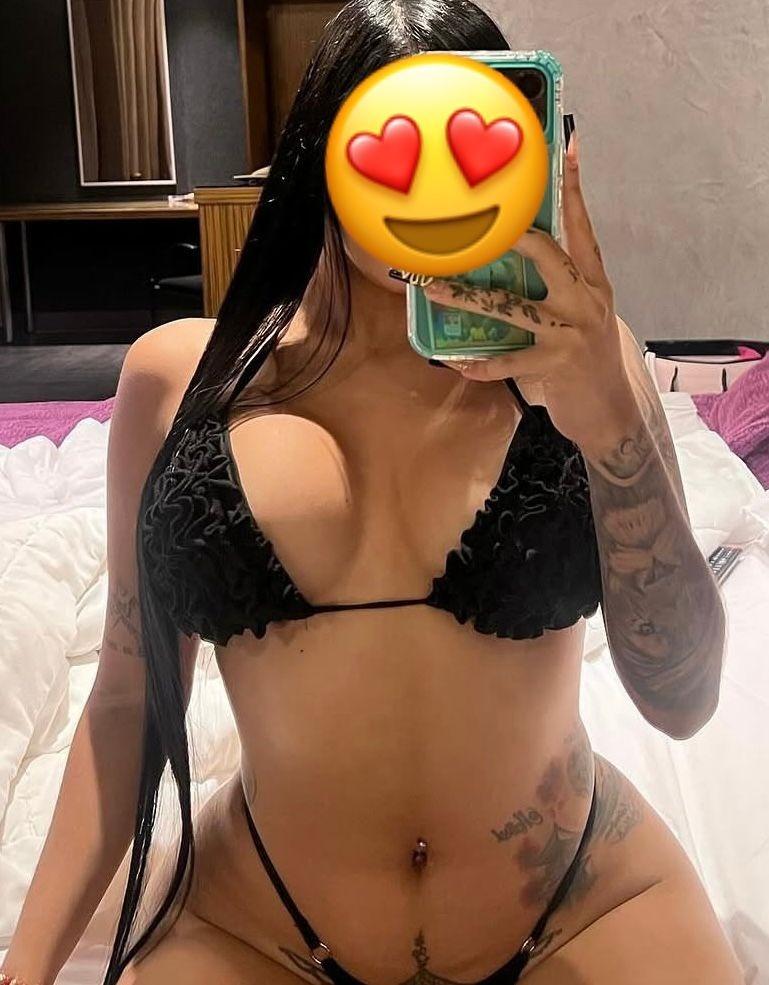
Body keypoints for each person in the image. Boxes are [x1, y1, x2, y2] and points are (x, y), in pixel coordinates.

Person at [2, 1, 745, 983]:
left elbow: (684, 701)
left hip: (581, 906)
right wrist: (24, 969)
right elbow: (129, 697)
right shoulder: (183, 380)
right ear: (322, 156)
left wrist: (611, 422)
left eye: (472, 151)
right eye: (397, 148)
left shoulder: (586, 365)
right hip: (259, 926)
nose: (434, 187)